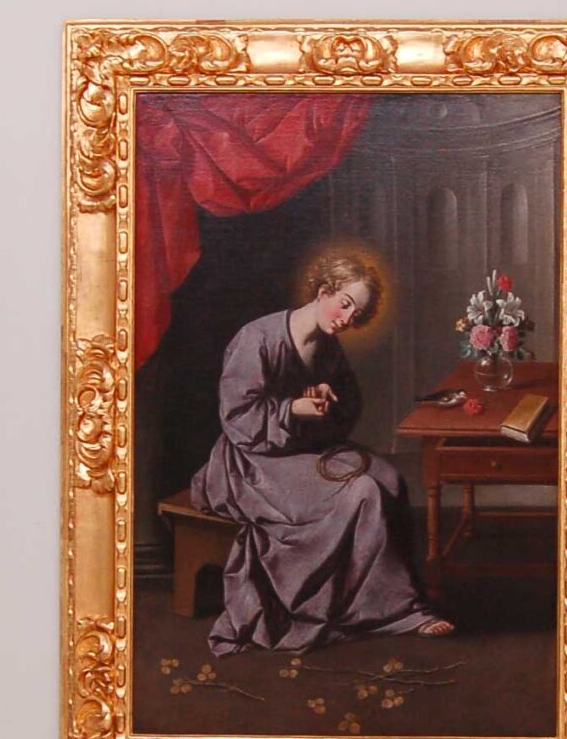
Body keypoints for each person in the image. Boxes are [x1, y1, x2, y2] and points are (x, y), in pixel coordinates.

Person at [189, 252, 454, 655]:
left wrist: (328, 400)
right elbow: (237, 417)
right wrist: (294, 409)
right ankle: (394, 613)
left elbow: (348, 406)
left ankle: (378, 600)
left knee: (389, 479)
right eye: (344, 304)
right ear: (323, 291)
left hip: (302, 449)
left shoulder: (328, 347)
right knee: (362, 492)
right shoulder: (257, 338)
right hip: (251, 462)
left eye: (356, 313)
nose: (346, 318)